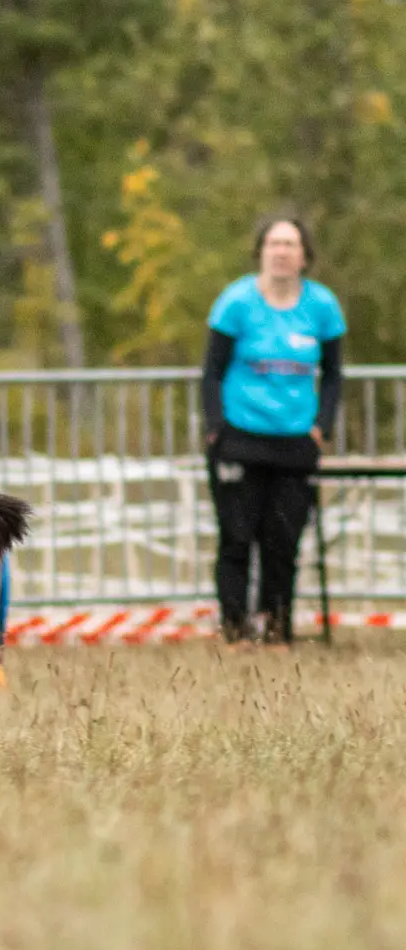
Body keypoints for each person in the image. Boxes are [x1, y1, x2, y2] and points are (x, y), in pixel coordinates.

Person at [201, 215, 346, 645]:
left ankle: (278, 627)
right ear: (261, 250)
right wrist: (215, 429)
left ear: (304, 255)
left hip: (295, 441)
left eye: (290, 244)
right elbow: (211, 371)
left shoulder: (321, 306)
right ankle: (235, 627)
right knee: (237, 538)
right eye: (274, 243)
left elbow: (335, 374)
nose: (281, 251)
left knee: (283, 541)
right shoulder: (236, 302)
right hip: (240, 437)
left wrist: (322, 427)